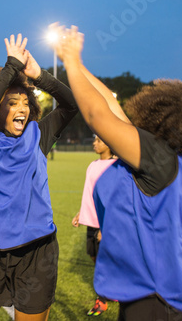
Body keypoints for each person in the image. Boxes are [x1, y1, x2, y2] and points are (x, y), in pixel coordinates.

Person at [52, 23, 182, 321]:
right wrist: (78, 65)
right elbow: (109, 102)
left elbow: (98, 115)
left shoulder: (159, 157)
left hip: (163, 304)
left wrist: (69, 61)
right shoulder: (177, 162)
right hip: (171, 299)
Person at [0, 34, 78, 321]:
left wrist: (39, 77)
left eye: (26, 102)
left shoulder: (38, 135)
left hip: (37, 253)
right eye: (12, 103)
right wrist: (10, 67)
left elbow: (71, 105)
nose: (22, 108)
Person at [71, 135, 116, 316]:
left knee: (103, 262)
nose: (94, 143)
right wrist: (81, 213)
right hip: (92, 220)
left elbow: (115, 198)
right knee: (93, 256)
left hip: (107, 222)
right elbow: (89, 193)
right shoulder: (92, 165)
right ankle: (113, 287)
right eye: (94, 140)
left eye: (99, 140)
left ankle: (102, 300)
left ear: (109, 144)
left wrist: (105, 228)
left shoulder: (116, 166)